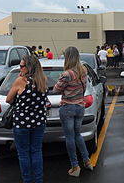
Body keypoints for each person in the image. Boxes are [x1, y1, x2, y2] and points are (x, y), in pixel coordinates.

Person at [6, 55, 48, 183]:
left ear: (29, 67)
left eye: (22, 66)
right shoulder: (43, 80)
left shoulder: (20, 81)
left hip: (22, 123)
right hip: (39, 122)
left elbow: (8, 99)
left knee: (23, 153)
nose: (20, 68)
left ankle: (27, 180)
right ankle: (39, 180)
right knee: (36, 151)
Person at [53, 47, 93, 177]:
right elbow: (84, 87)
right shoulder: (83, 70)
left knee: (69, 137)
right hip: (80, 107)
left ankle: (75, 166)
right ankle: (87, 161)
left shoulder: (67, 74)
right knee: (78, 135)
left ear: (68, 57)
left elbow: (56, 90)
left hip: (68, 108)